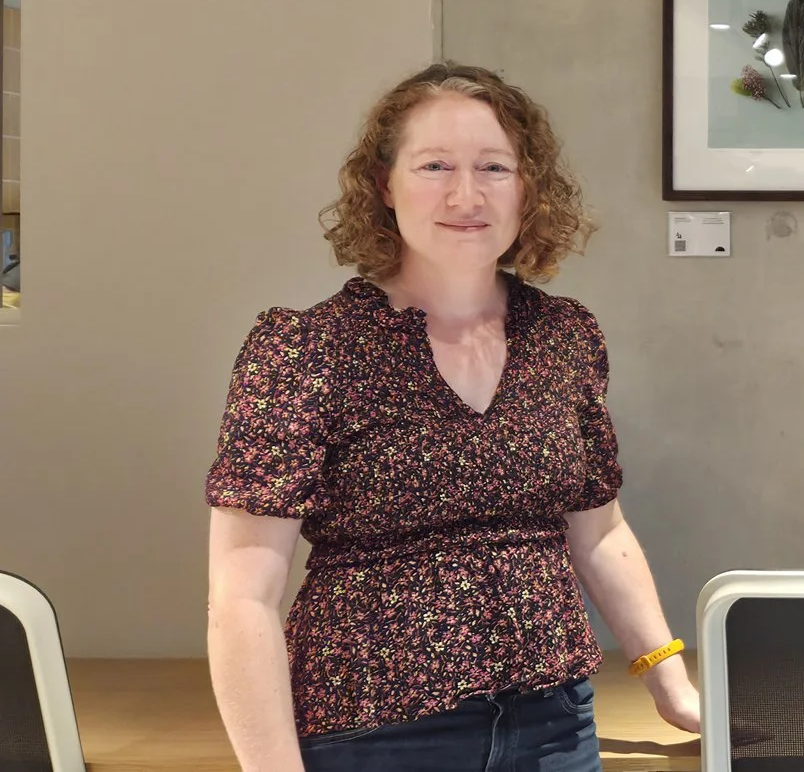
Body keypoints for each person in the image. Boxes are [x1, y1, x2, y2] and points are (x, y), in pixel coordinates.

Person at [203, 63, 699, 771]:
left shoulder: (563, 335)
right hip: (374, 732)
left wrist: (672, 686)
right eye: (434, 165)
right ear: (385, 184)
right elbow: (241, 596)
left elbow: (599, 531)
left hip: (554, 725)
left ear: (528, 188)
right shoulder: (307, 348)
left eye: (494, 167)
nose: (466, 195)